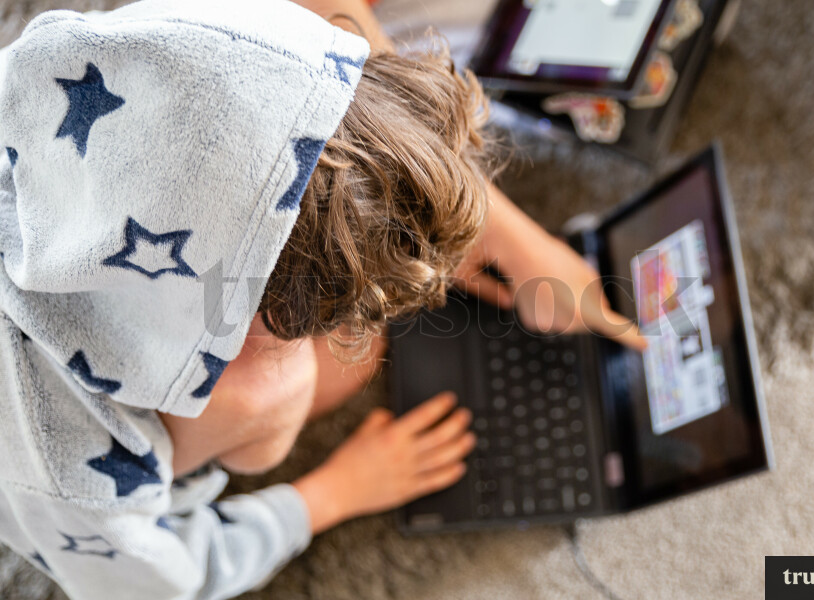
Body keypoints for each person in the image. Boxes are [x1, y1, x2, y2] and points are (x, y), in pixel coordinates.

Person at [0, 0, 643, 598]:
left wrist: (504, 240)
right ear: (240, 325)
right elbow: (161, 586)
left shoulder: (113, 54)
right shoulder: (67, 475)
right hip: (80, 456)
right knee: (309, 378)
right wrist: (330, 495)